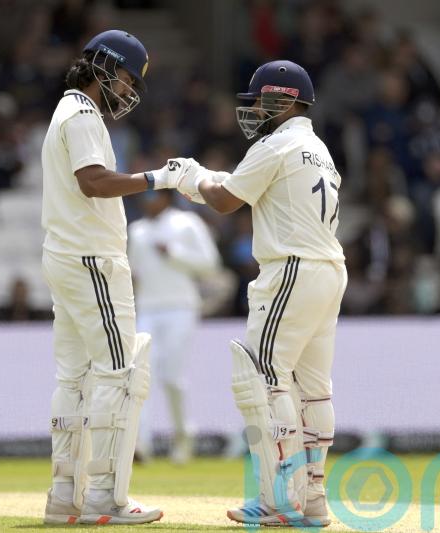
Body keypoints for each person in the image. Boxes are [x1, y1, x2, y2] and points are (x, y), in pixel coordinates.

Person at [176, 60, 347, 527]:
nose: (253, 109)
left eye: (260, 100)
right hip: (328, 270)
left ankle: (278, 500)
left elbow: (227, 199)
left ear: (285, 99)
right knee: (313, 389)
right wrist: (207, 180)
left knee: (263, 380)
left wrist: (188, 177)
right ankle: (312, 499)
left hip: (290, 269)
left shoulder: (278, 143)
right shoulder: (319, 149)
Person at [40, 30, 192, 525]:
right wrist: (159, 178)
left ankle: (65, 497)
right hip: (92, 261)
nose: (127, 92)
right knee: (121, 374)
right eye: (126, 78)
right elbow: (94, 182)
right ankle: (105, 498)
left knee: (74, 376)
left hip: (67, 258)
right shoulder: (83, 114)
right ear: (102, 66)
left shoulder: (66, 111)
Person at [128, 190, 221, 463]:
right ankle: (139, 444)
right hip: (146, 309)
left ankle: (183, 438)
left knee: (171, 376)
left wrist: (174, 253)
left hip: (180, 307)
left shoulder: (187, 223)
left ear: (166, 198)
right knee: (140, 376)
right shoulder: (137, 230)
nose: (148, 201)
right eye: (144, 197)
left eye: (153, 196)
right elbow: (133, 271)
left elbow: (210, 264)